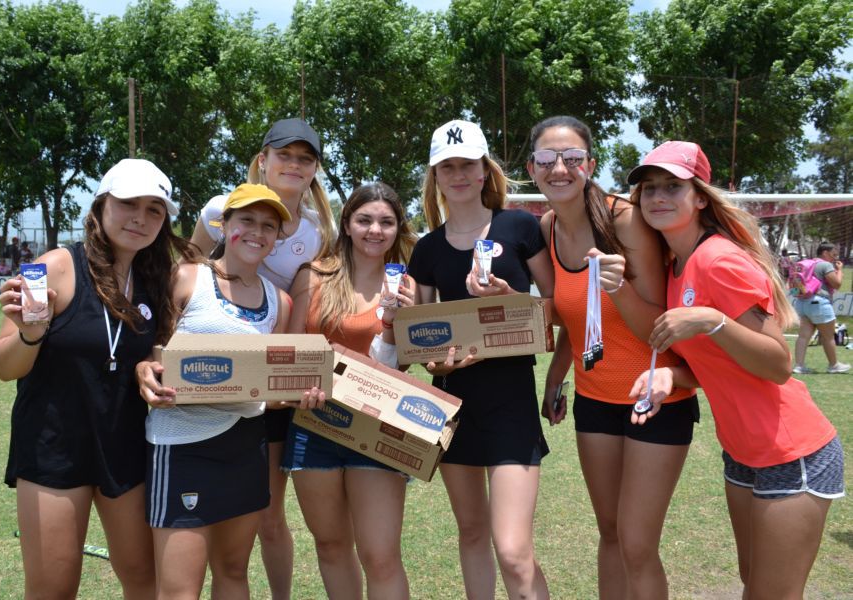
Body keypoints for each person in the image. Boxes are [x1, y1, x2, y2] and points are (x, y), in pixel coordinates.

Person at [627, 140, 845, 599]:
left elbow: (779, 364)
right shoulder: (678, 264)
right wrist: (673, 376)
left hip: (793, 451)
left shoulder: (718, 259)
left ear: (700, 196)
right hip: (743, 454)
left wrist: (712, 320)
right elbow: (723, 366)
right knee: (756, 585)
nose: (658, 197)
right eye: (649, 189)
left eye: (673, 186)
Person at [0, 158, 194, 598]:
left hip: (125, 446)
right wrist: (30, 334)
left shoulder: (155, 280)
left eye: (154, 209)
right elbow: (4, 368)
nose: (140, 218)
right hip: (53, 447)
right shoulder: (58, 266)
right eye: (127, 204)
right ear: (101, 206)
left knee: (144, 579)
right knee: (53, 588)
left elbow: (155, 353)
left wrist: (150, 371)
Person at [529, 116, 698, 600]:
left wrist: (619, 286)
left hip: (656, 395)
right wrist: (554, 379)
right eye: (546, 159)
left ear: (590, 164)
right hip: (594, 399)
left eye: (572, 158)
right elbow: (577, 318)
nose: (559, 168)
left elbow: (657, 330)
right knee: (610, 534)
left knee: (638, 544)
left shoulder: (625, 219)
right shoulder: (548, 226)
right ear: (532, 168)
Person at [136, 183, 326, 598]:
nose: (257, 232)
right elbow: (152, 355)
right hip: (182, 445)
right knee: (179, 589)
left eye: (268, 226)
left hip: (245, 445)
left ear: (277, 239)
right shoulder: (185, 278)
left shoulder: (279, 302)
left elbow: (267, 390)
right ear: (224, 225)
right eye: (247, 221)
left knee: (233, 572)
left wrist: (301, 395)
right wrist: (145, 371)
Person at [188, 118, 335, 600]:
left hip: (270, 391)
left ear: (315, 170)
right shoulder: (218, 208)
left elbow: (304, 310)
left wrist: (289, 377)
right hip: (207, 382)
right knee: (206, 513)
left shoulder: (315, 233)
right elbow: (185, 279)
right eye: (284, 155)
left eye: (305, 158)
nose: (293, 165)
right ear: (262, 159)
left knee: (269, 515)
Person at [407, 119, 554, 599]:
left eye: (467, 164)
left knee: (512, 549)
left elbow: (554, 311)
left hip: (511, 402)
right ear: (435, 176)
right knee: (471, 534)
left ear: (484, 169)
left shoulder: (520, 226)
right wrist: (439, 363)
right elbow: (425, 339)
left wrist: (511, 298)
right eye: (447, 166)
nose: (458, 174)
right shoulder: (426, 249)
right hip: (456, 406)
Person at [283, 182, 417, 600]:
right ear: (347, 223)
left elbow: (405, 364)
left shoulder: (408, 285)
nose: (374, 230)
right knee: (331, 545)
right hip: (313, 425)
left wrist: (399, 320)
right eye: (365, 219)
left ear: (398, 229)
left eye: (386, 222)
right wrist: (299, 384)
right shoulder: (313, 275)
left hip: (377, 430)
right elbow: (289, 349)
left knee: (380, 556)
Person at [791, 242, 850, 374]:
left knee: (803, 336)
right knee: (828, 336)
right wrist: (839, 270)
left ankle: (799, 365)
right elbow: (837, 284)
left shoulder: (808, 264)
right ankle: (834, 365)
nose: (835, 258)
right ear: (825, 253)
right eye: (833, 254)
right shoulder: (825, 265)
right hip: (819, 303)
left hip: (802, 302)